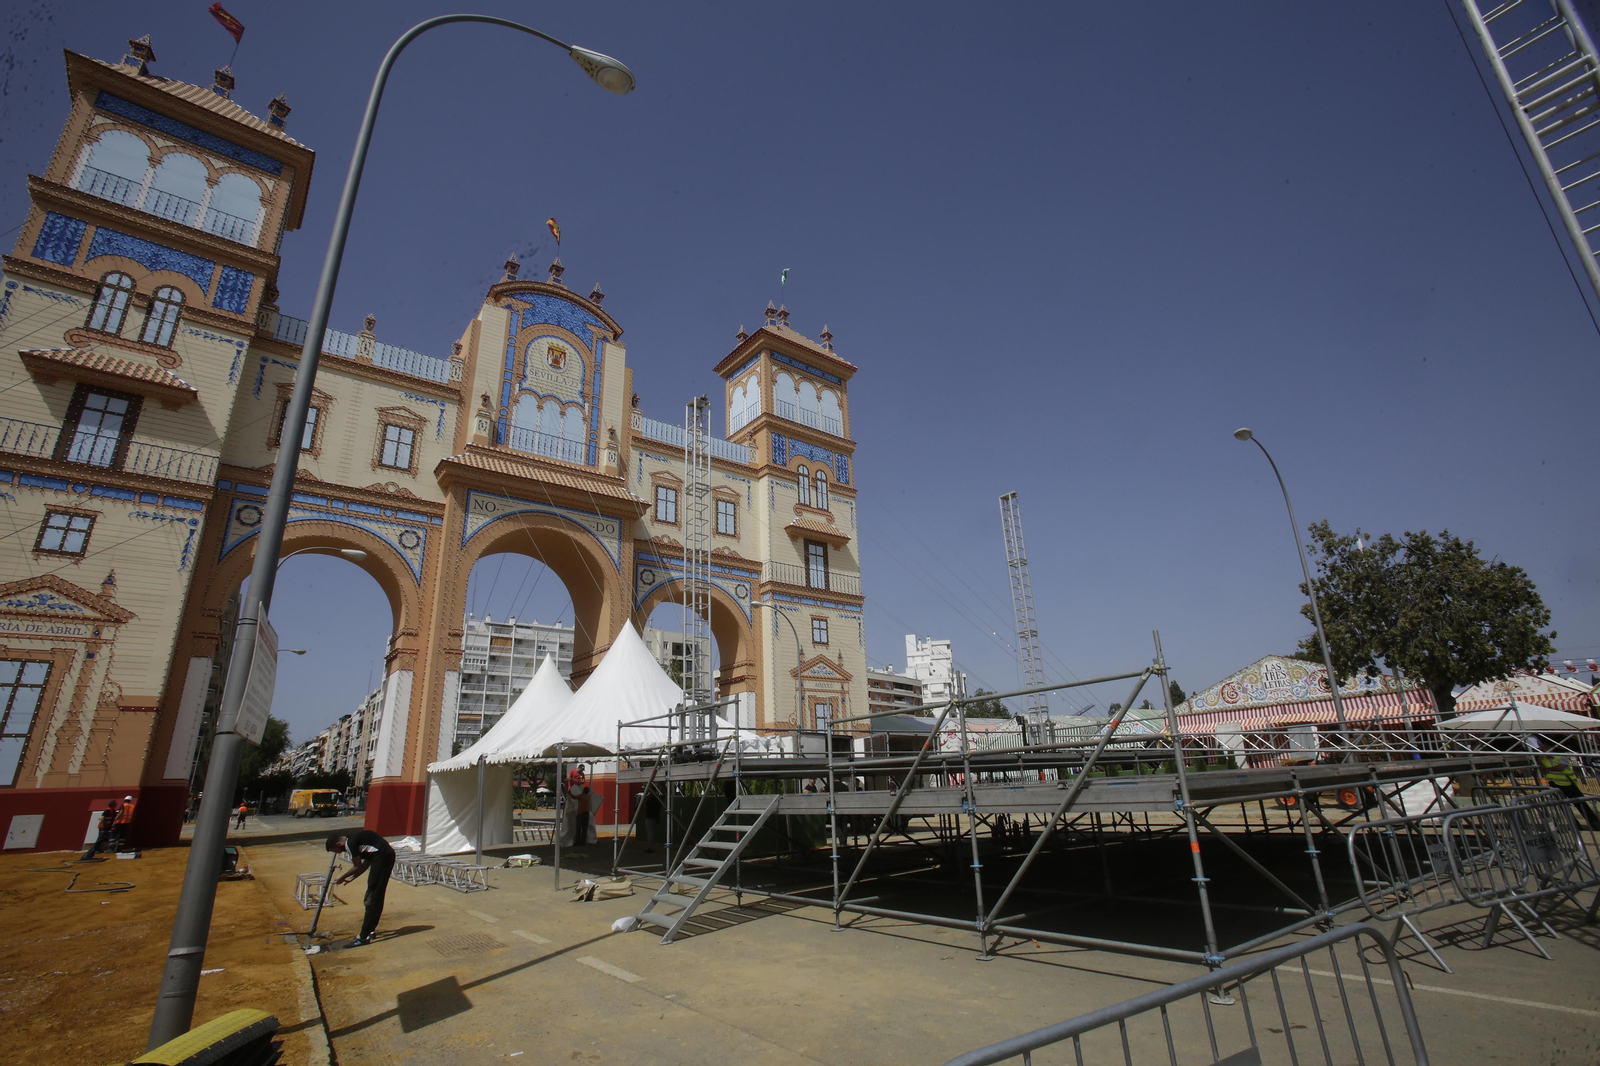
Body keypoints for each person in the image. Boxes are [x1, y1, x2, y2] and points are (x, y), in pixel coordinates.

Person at [328, 830, 396, 947]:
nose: (338, 853)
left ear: (338, 844)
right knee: (375, 894)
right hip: (383, 857)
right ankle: (370, 930)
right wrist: (353, 877)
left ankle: (363, 937)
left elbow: (357, 865)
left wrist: (342, 877)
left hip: (383, 858)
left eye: (336, 851)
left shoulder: (349, 844)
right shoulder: (354, 839)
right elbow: (367, 861)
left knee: (373, 897)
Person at [1537, 745, 1600, 830]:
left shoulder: (1561, 756)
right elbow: (1542, 770)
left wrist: (1549, 769)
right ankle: (1575, 824)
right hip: (1555, 784)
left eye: (1543, 748)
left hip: (1568, 783)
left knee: (1581, 804)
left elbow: (1561, 767)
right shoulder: (1544, 759)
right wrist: (1541, 760)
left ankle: (1594, 824)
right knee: (1564, 807)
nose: (1542, 750)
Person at [639, 786, 662, 853]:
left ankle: (651, 847)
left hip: (650, 817)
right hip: (653, 817)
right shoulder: (656, 798)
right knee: (651, 832)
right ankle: (651, 847)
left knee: (650, 833)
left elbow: (645, 806)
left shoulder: (650, 798)